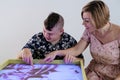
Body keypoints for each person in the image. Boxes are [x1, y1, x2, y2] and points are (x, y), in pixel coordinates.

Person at [44, 1, 120, 80]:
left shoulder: (118, 33)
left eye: (87, 21)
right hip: (94, 72)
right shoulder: (89, 31)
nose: (83, 23)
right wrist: (56, 53)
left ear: (98, 19)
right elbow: (77, 50)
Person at [17, 12, 84, 65]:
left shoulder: (69, 40)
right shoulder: (37, 38)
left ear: (61, 31)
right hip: (38, 72)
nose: (46, 35)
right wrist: (24, 51)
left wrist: (74, 60)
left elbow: (82, 61)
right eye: (44, 31)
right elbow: (18, 56)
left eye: (50, 34)